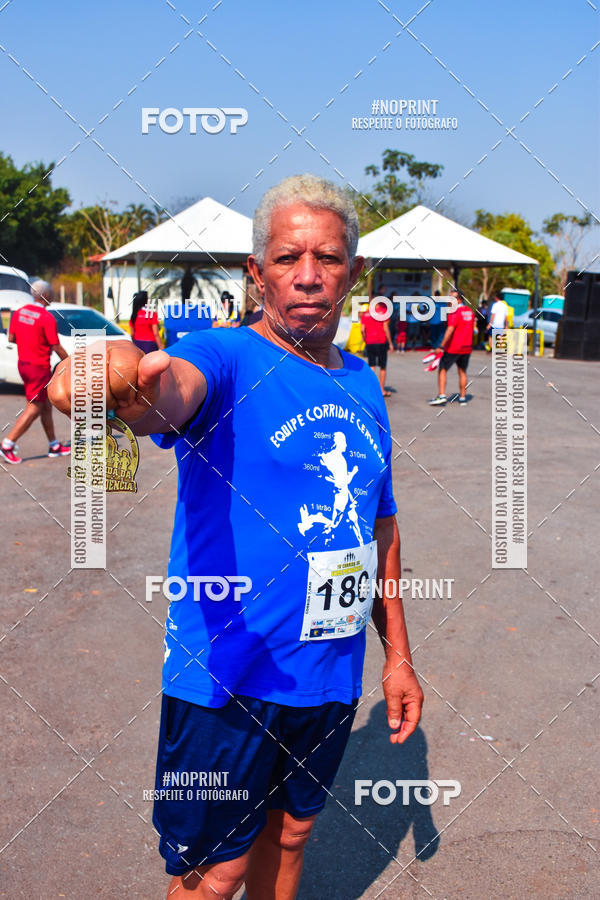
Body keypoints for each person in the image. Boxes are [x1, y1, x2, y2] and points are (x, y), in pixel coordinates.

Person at [49, 174, 423, 900]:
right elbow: (161, 393)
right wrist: (103, 379)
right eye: (287, 259)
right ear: (256, 273)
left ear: (354, 272)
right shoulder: (223, 358)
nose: (308, 277)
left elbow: (380, 527)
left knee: (291, 835)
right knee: (212, 874)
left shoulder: (363, 384)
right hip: (228, 678)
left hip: (328, 669)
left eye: (327, 258)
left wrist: (398, 657)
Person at [0, 280, 70, 464]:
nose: (53, 297)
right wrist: (71, 362)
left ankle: (54, 445)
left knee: (45, 405)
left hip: (23, 364)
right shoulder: (46, 318)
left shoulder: (19, 313)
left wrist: (29, 343)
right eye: (52, 294)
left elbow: (12, 338)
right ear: (46, 296)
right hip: (38, 368)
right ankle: (8, 444)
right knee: (35, 407)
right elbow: (56, 346)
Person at [429, 288, 475, 406]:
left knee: (442, 369)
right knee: (462, 371)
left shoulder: (454, 312)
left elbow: (450, 329)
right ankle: (463, 398)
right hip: (467, 347)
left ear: (459, 300)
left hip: (454, 347)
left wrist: (441, 345)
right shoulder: (469, 311)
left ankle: (441, 396)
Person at [360, 297, 395, 397]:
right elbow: (385, 328)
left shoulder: (365, 314)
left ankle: (370, 389)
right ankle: (382, 390)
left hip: (370, 342)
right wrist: (391, 343)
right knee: (383, 367)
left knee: (371, 365)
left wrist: (364, 339)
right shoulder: (383, 312)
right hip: (381, 341)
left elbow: (362, 329)